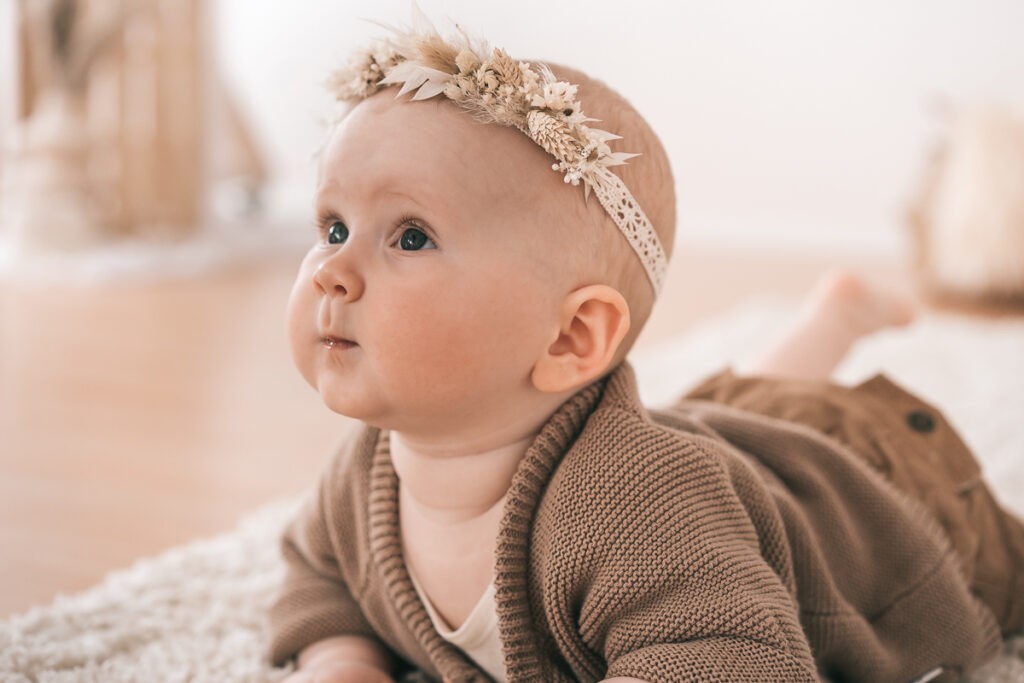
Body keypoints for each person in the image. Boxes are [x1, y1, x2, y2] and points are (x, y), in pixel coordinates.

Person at [267, 15, 1024, 683]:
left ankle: (831, 331)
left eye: (409, 236)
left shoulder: (639, 505)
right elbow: (319, 573)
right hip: (723, 445)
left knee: (782, 435)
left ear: (571, 337)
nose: (331, 269)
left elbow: (734, 657)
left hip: (882, 481)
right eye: (333, 226)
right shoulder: (364, 473)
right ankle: (831, 320)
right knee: (718, 410)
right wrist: (341, 657)